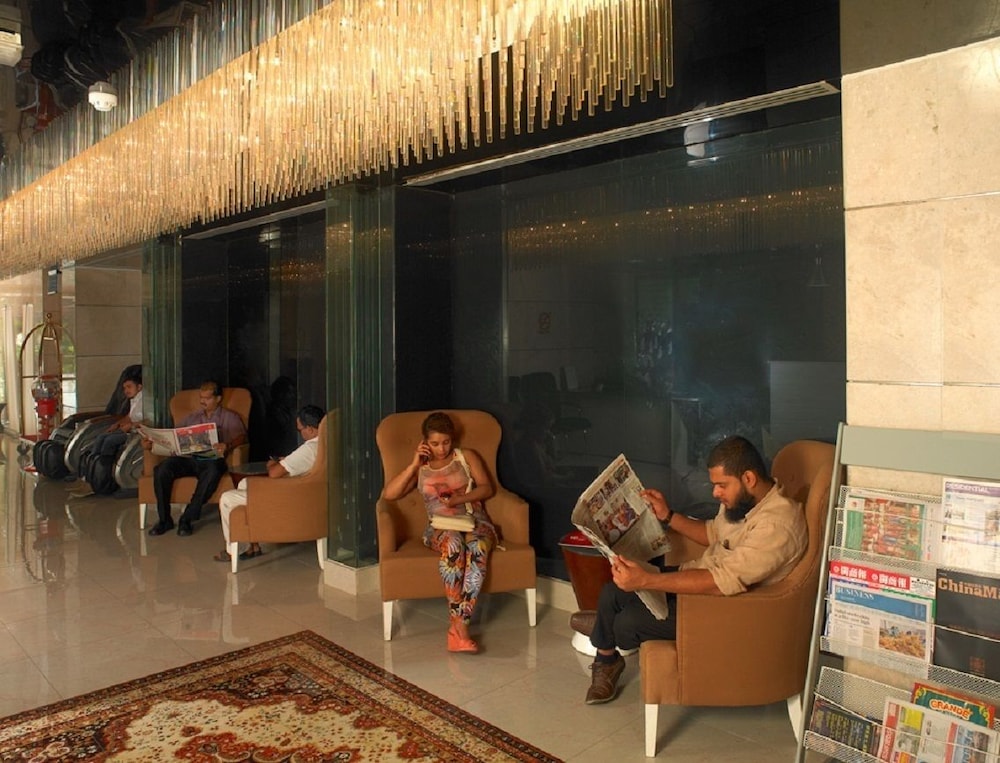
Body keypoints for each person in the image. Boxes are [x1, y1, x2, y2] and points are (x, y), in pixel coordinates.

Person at [573, 435, 807, 705]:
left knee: (627, 622)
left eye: (721, 485)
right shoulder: (745, 502)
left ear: (749, 478)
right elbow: (713, 533)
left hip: (724, 609)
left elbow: (718, 583)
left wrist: (647, 580)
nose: (715, 493)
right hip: (703, 580)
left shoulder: (777, 526)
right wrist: (668, 515)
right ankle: (607, 658)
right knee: (612, 591)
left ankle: (603, 628)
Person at [381, 411, 497, 654]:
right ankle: (460, 629)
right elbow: (389, 494)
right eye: (435, 443)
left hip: (474, 521)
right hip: (440, 527)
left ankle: (459, 626)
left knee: (477, 548)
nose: (441, 448)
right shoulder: (421, 467)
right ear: (425, 442)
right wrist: (414, 464)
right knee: (453, 545)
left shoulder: (466, 456)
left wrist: (459, 499)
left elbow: (487, 488)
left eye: (446, 442)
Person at [213, 404, 324, 562]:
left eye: (300, 430)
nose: (300, 433)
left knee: (227, 498)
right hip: (308, 492)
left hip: (289, 497)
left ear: (311, 429)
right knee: (244, 483)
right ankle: (253, 545)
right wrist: (286, 461)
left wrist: (272, 464)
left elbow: (274, 473)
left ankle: (233, 551)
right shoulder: (325, 444)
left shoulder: (309, 449)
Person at [144, 380, 247, 537]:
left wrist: (228, 445)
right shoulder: (192, 417)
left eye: (207, 398)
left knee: (212, 471)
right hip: (188, 459)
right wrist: (154, 442)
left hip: (212, 460)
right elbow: (174, 436)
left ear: (218, 399)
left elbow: (242, 437)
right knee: (162, 469)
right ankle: (164, 520)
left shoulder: (229, 417)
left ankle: (187, 518)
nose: (202, 401)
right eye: (201, 397)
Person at [90, 365, 144, 459]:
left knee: (110, 440)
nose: (126, 391)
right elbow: (129, 417)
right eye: (124, 388)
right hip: (129, 430)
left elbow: (149, 421)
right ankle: (93, 462)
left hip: (138, 433)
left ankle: (103, 465)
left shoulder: (145, 400)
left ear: (139, 387)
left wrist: (131, 425)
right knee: (101, 437)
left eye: (129, 387)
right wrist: (116, 424)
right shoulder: (134, 400)